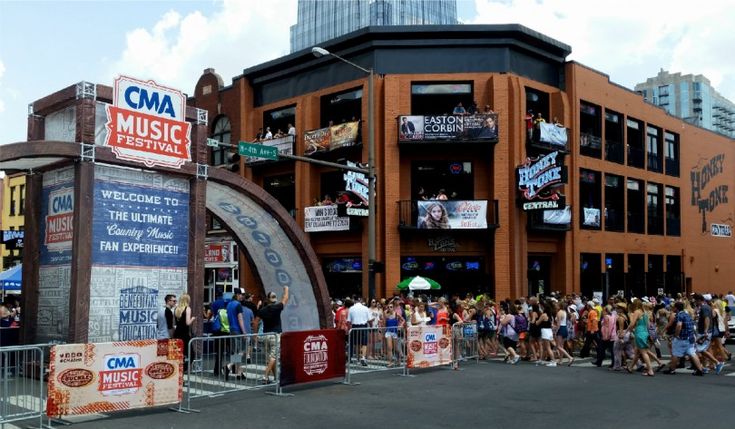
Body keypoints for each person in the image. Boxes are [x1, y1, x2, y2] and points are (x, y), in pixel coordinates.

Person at [663, 301, 705, 375]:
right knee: (692, 353)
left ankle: (672, 370)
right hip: (690, 337)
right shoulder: (687, 315)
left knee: (675, 353)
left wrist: (676, 335)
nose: (673, 308)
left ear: (676, 308)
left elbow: (679, 325)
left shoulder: (679, 315)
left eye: (674, 307)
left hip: (682, 338)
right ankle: (700, 369)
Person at [258, 285, 289, 383]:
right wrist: (286, 289)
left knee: (270, 357)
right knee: (274, 357)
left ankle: (276, 377)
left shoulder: (262, 310)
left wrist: (255, 334)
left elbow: (255, 321)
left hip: (266, 335)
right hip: (276, 335)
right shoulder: (277, 307)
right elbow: (285, 298)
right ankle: (265, 376)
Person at [348, 297, 373, 366]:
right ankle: (363, 357)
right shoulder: (365, 308)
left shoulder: (351, 308)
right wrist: (371, 326)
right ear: (361, 301)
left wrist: (349, 329)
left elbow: (348, 321)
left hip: (354, 327)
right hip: (363, 326)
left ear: (355, 302)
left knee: (356, 343)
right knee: (364, 343)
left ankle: (358, 358)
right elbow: (370, 320)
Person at [174, 294, 196, 371]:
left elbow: (175, 323)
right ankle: (183, 369)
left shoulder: (176, 309)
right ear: (187, 300)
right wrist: (192, 319)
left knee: (179, 354)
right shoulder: (187, 309)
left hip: (177, 333)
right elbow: (187, 323)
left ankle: (178, 369)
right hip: (184, 334)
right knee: (192, 354)